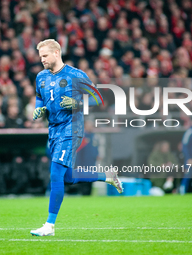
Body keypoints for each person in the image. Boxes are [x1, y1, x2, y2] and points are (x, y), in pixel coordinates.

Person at [30, 39, 123, 237]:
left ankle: (49, 225)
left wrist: (77, 102)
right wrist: (39, 108)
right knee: (67, 177)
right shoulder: (41, 77)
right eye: (40, 57)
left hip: (72, 128)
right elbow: (39, 96)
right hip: (54, 130)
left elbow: (98, 98)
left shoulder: (76, 75)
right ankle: (107, 176)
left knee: (55, 173)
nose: (42, 60)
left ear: (56, 53)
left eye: (45, 56)